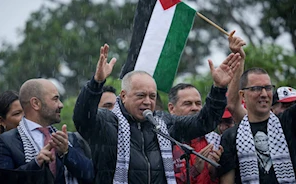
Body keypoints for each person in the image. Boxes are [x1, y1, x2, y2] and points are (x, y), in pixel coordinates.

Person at [73, 43, 241, 184]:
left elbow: (204, 123)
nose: (147, 102)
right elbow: (82, 118)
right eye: (141, 95)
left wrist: (218, 89)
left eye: (152, 96)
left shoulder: (162, 122)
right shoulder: (106, 121)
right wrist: (96, 83)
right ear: (124, 96)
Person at [219, 32, 296, 183]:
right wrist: (240, 60)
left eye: (268, 88)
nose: (264, 94)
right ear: (243, 95)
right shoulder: (230, 136)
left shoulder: (288, 121)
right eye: (256, 88)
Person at [0, 79, 94, 184]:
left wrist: (67, 152)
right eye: (55, 99)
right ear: (36, 103)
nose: (61, 105)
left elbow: (90, 175)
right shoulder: (5, 142)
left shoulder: (68, 139)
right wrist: (36, 164)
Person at [168, 83, 222, 184]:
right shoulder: (165, 140)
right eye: (187, 104)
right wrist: (194, 170)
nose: (195, 108)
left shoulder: (214, 139)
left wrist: (213, 171)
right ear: (171, 109)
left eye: (198, 103)